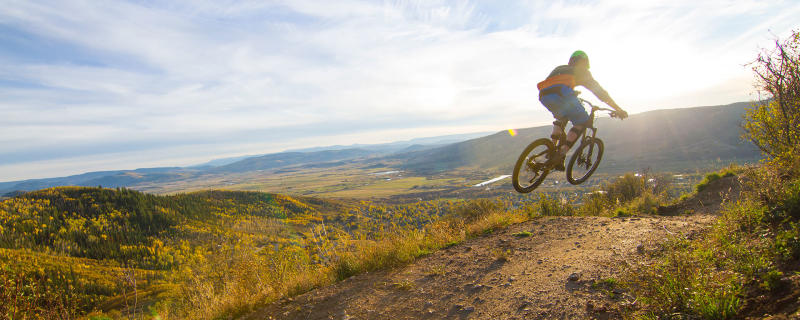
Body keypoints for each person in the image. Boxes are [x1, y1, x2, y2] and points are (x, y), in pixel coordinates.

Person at [537, 50, 628, 171]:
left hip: (544, 95)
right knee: (582, 121)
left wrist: (571, 91)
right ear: (585, 63)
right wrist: (618, 109)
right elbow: (601, 93)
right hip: (563, 93)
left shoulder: (560, 68)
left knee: (561, 117)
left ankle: (551, 149)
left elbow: (553, 84)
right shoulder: (583, 72)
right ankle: (561, 153)